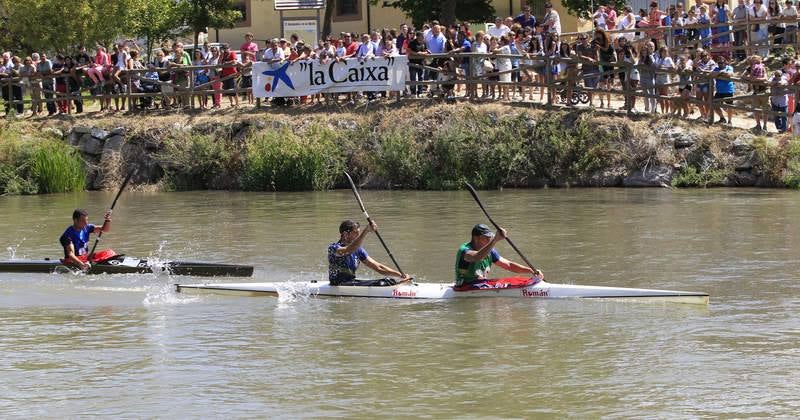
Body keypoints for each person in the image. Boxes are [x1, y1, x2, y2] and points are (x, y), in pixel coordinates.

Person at [328, 220, 410, 286]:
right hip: (338, 284)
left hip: (350, 282)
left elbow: (379, 267)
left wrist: (400, 275)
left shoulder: (358, 250)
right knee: (383, 283)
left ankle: (397, 283)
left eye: (359, 232)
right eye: (356, 232)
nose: (358, 235)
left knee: (389, 281)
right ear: (345, 234)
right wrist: (366, 231)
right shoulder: (334, 248)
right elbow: (348, 250)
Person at [455, 224, 541, 287]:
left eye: (491, 237)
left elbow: (509, 265)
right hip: (465, 286)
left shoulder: (490, 251)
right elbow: (476, 257)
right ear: (476, 238)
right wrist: (495, 240)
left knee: (517, 280)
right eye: (486, 237)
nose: (490, 239)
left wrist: (531, 271)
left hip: (482, 284)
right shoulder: (465, 250)